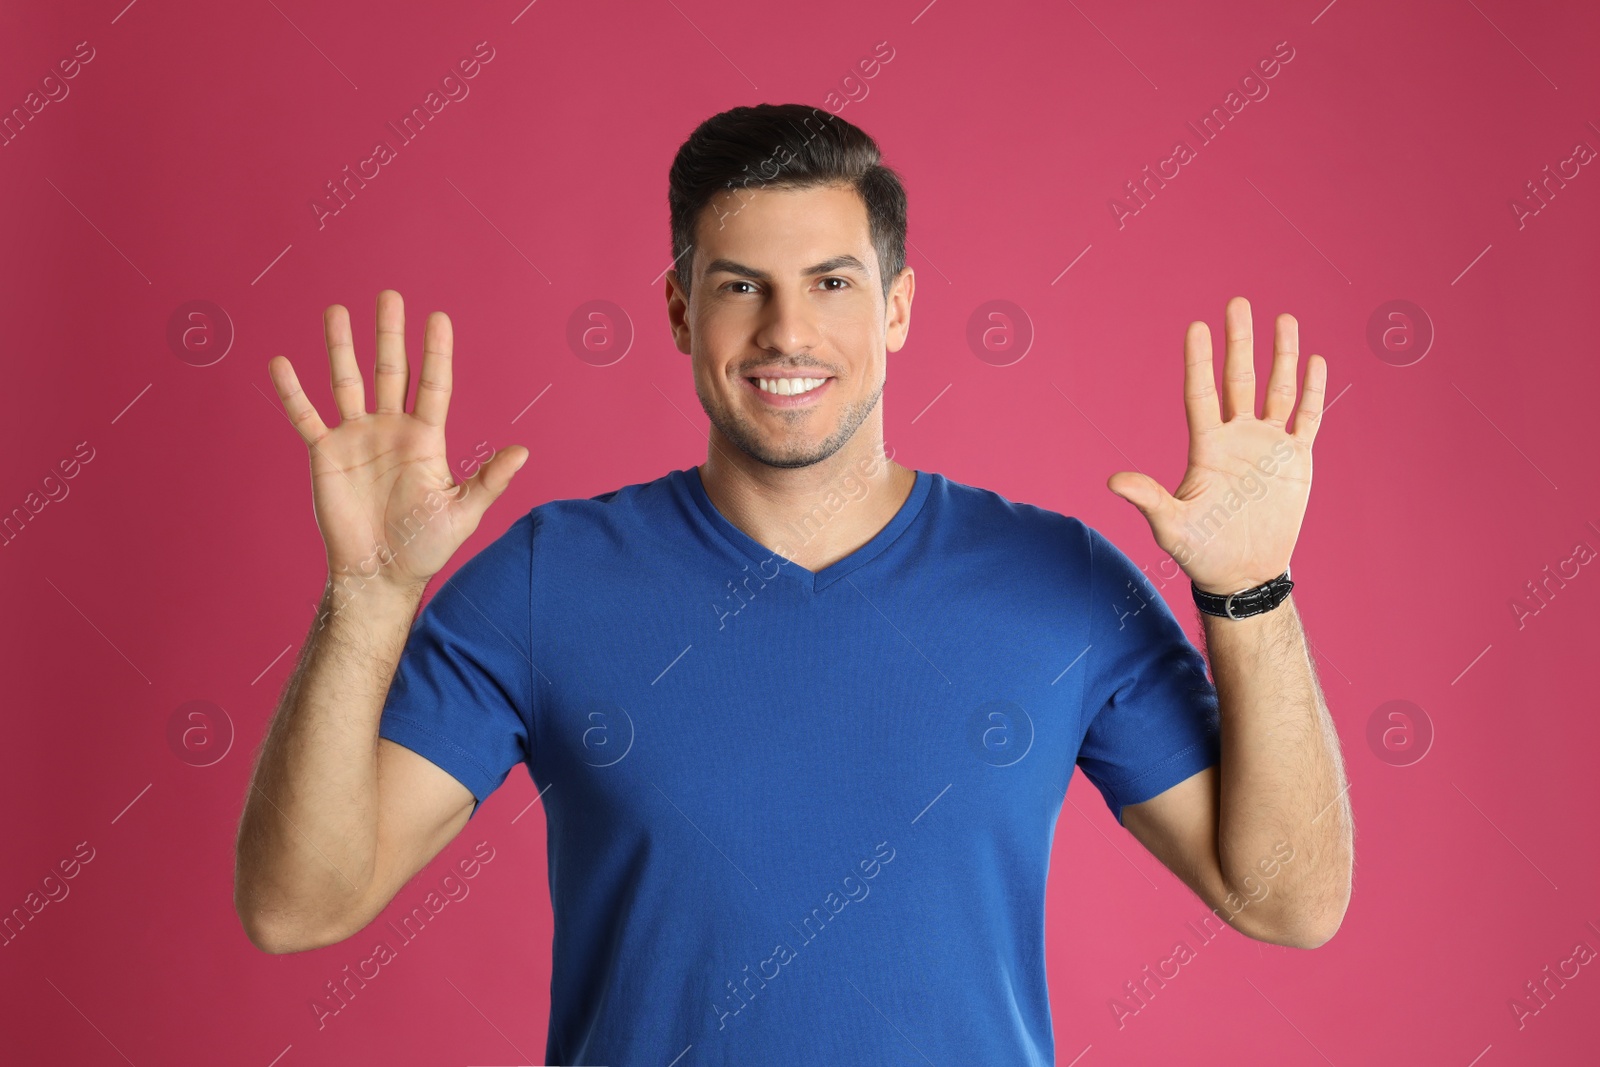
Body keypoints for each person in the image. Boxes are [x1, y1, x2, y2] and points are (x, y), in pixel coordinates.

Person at [234, 103, 1352, 1065]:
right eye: (740, 285)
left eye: (831, 281)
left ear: (898, 308)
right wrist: (369, 599)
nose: (788, 330)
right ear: (679, 310)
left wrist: (1252, 591)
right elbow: (298, 904)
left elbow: (1291, 899)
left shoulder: (1056, 581)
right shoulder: (549, 577)